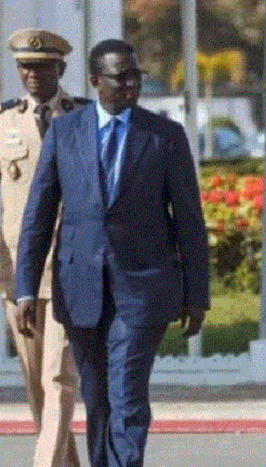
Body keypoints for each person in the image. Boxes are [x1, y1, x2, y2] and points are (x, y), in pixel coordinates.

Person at [15, 39, 209, 467]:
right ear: (95, 80)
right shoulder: (65, 132)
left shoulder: (164, 136)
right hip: (79, 288)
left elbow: (189, 221)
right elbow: (38, 215)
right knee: (97, 396)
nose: (130, 85)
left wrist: (197, 294)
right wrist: (25, 287)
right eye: (120, 77)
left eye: (135, 76)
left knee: (127, 393)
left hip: (143, 288)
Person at [0, 28, 90, 467]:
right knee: (38, 387)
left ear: (61, 68)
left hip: (70, 267)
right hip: (20, 275)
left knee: (58, 379)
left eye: (42, 66)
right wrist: (8, 279)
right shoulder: (3, 123)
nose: (32, 74)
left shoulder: (85, 118)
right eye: (25, 67)